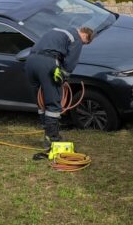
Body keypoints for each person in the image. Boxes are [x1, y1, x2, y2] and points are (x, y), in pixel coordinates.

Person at [25, 25, 95, 159]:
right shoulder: (76, 38)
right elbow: (70, 62)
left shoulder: (56, 30)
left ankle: (47, 134)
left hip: (30, 62)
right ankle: (53, 138)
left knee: (40, 101)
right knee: (53, 102)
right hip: (47, 64)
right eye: (85, 43)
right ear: (85, 36)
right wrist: (63, 78)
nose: (83, 45)